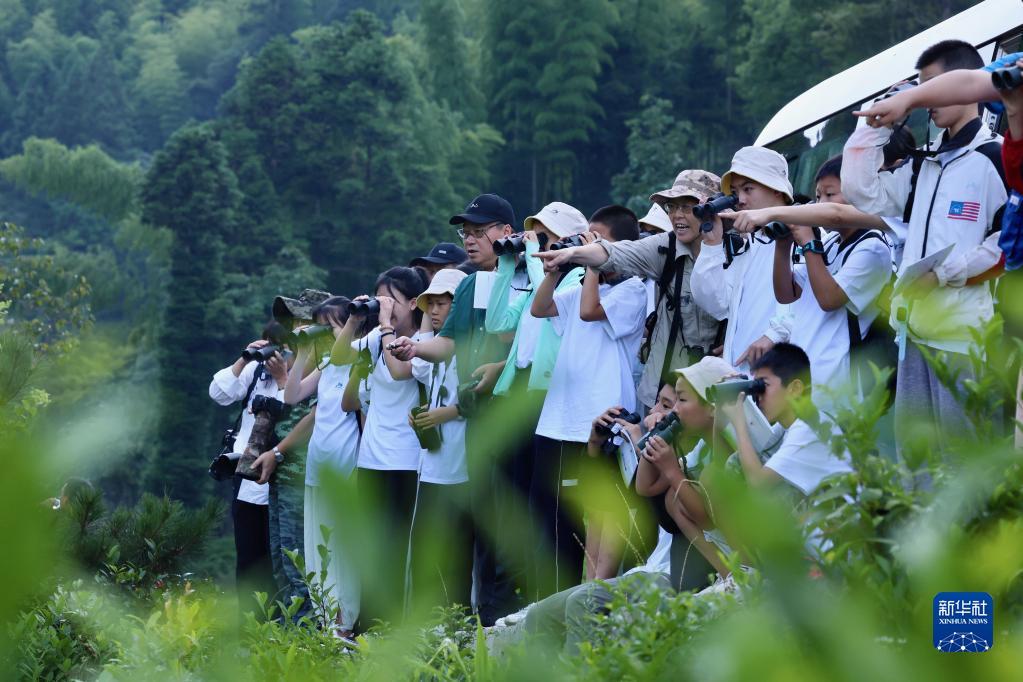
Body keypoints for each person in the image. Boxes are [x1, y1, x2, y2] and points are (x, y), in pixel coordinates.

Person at [841, 39, 1007, 456]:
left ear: (963, 84)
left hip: (964, 339)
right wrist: (877, 125)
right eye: (920, 88)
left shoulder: (994, 157)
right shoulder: (925, 163)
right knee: (917, 463)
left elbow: (1007, 243)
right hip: (913, 334)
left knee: (963, 460)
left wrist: (945, 275)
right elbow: (861, 192)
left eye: (931, 85)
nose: (925, 98)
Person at [389, 193, 529, 626]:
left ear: (507, 232)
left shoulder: (529, 273)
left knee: (514, 522)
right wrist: (415, 347)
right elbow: (449, 343)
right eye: (465, 232)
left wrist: (501, 368)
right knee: (484, 521)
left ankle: (512, 618)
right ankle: (483, 622)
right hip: (477, 417)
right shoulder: (467, 284)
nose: (470, 240)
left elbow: (535, 342)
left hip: (519, 414)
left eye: (479, 231)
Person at [533, 171, 725, 411]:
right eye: (672, 207)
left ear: (712, 210)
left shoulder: (737, 251)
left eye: (687, 207)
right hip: (660, 392)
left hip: (715, 392)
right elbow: (616, 253)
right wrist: (571, 253)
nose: (677, 215)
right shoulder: (665, 246)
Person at [530, 214, 646, 595]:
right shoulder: (581, 285)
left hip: (601, 419)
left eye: (598, 240)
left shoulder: (632, 290)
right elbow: (540, 308)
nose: (588, 247)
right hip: (558, 420)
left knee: (596, 517)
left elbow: (589, 311)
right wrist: (555, 270)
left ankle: (589, 598)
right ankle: (552, 600)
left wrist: (592, 263)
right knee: (552, 517)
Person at [721, 156, 894, 404]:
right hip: (805, 374)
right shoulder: (832, 242)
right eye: (818, 196)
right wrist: (783, 245)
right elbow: (787, 294)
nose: (820, 206)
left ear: (860, 195)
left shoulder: (874, 248)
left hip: (836, 379)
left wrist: (809, 243)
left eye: (830, 195)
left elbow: (829, 299)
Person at [484, 200, 588, 602]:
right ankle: (519, 593)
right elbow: (497, 323)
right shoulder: (534, 281)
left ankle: (548, 592)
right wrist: (505, 265)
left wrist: (532, 256)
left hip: (549, 392)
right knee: (516, 497)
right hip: (519, 389)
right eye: (534, 235)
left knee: (543, 497)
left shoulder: (575, 276)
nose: (535, 242)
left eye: (544, 236)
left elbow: (552, 317)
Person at [705, 343, 853, 593]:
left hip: (839, 553)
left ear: (795, 388)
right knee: (733, 469)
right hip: (819, 545)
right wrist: (726, 411)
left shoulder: (809, 429)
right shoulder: (791, 428)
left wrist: (739, 421)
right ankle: (754, 572)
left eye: (763, 386)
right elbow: (728, 466)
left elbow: (758, 483)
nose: (758, 396)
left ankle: (760, 576)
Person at [328, 267, 429, 628]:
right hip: (371, 458)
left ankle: (392, 628)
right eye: (380, 299)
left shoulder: (424, 340)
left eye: (392, 300)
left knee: (396, 548)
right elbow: (339, 358)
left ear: (414, 303)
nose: (385, 306)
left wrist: (385, 325)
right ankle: (367, 626)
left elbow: (401, 371)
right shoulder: (375, 337)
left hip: (407, 458)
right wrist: (355, 320)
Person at [255, 296, 361, 640]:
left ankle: (345, 624)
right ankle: (326, 623)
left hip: (344, 469)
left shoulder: (361, 361)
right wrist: (302, 352)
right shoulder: (328, 364)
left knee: (342, 553)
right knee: (317, 552)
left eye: (329, 327)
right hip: (318, 469)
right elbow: (292, 395)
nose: (323, 334)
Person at [209, 320, 291, 614]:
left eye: (281, 348)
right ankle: (249, 627)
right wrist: (244, 358)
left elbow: (293, 414)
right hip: (246, 480)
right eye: (269, 344)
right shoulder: (255, 372)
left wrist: (282, 377)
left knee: (278, 561)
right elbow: (219, 393)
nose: (274, 355)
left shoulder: (303, 374)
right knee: (248, 560)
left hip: (283, 482)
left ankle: (281, 625)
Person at [689, 148, 796, 370]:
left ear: (777, 190)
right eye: (735, 192)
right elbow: (716, 304)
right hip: (742, 376)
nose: (740, 200)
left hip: (785, 375)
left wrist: (775, 334)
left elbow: (814, 304)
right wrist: (712, 244)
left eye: (748, 189)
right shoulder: (753, 245)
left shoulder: (806, 236)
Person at [406, 268, 473, 612]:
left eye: (442, 303)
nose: (433, 311)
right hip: (432, 461)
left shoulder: (470, 346)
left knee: (454, 548)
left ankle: (456, 622)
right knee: (424, 546)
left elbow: (480, 400)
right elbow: (418, 366)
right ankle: (425, 621)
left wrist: (445, 413)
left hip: (459, 462)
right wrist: (424, 414)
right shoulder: (432, 349)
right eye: (429, 304)